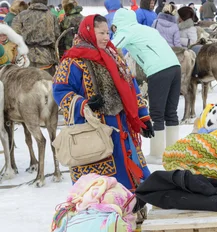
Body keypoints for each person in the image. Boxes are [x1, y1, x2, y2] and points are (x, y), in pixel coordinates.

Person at [53, 15, 152, 191]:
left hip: (121, 125)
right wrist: (84, 105)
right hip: (93, 129)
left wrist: (143, 116)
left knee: (131, 172)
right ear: (89, 32)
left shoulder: (114, 56)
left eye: (108, 33)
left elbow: (131, 86)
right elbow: (60, 90)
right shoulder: (73, 60)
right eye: (101, 33)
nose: (106, 37)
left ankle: (132, 206)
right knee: (99, 186)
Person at [112, 9, 181, 162]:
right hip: (175, 66)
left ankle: (157, 153)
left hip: (158, 70)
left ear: (117, 23)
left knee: (156, 113)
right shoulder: (146, 29)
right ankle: (174, 151)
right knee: (171, 112)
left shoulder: (126, 30)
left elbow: (110, 46)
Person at [12, 0, 60, 75]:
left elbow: (14, 35)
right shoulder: (52, 16)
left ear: (31, 2)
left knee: (24, 85)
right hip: (46, 58)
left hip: (25, 57)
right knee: (47, 85)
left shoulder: (21, 15)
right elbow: (57, 36)